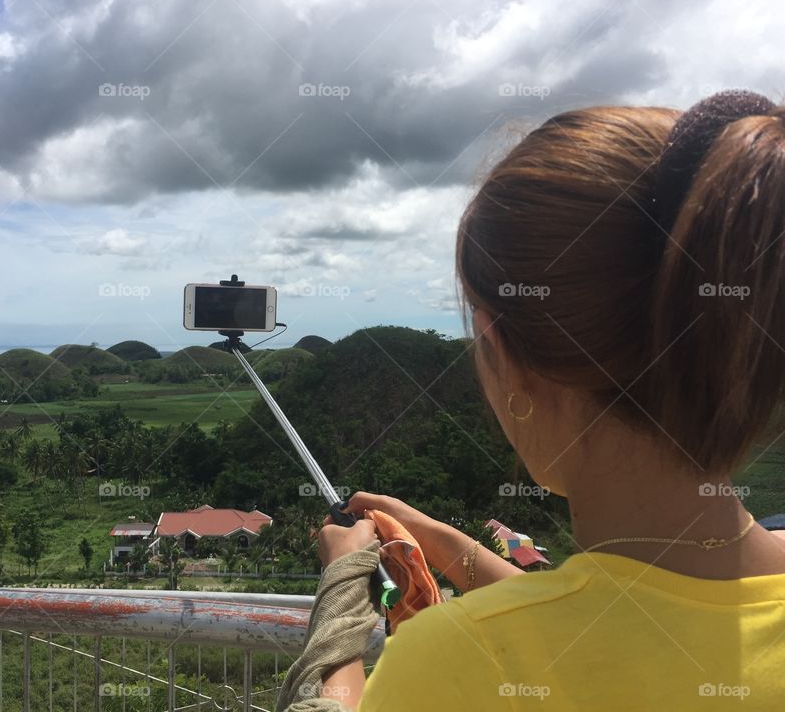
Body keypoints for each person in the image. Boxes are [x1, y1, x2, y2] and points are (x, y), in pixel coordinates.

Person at [311, 91, 785, 710]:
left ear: (506, 357)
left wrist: (340, 600)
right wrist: (447, 546)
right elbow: (615, 614)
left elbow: (586, 625)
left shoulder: (453, 660)